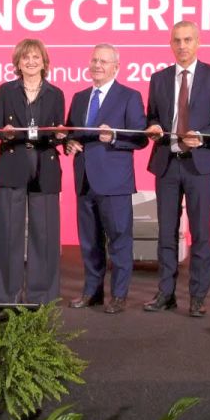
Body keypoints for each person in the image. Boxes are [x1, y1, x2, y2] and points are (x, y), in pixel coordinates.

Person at [143, 21, 210, 318]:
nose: (182, 46)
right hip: (167, 164)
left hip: (200, 165)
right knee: (166, 233)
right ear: (171, 44)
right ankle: (165, 293)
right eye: (177, 40)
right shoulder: (158, 78)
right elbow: (152, 116)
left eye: (187, 40)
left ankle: (197, 296)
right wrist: (153, 127)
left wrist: (203, 135)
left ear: (198, 42)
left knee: (201, 232)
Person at [63, 43, 147, 314]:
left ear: (116, 67)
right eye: (94, 60)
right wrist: (69, 143)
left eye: (104, 61)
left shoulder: (129, 96)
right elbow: (70, 132)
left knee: (119, 240)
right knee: (89, 241)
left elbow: (141, 138)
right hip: (84, 179)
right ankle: (92, 292)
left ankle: (119, 295)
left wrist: (113, 137)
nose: (97, 65)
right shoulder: (79, 97)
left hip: (114, 182)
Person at [0, 38, 66, 304]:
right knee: (7, 233)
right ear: (18, 63)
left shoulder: (56, 93)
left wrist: (60, 135)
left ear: (44, 62)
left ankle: (41, 296)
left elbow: (59, 131)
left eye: (36, 57)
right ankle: (5, 295)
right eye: (26, 57)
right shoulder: (6, 90)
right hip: (13, 163)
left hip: (45, 165)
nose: (31, 62)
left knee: (44, 234)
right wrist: (6, 133)